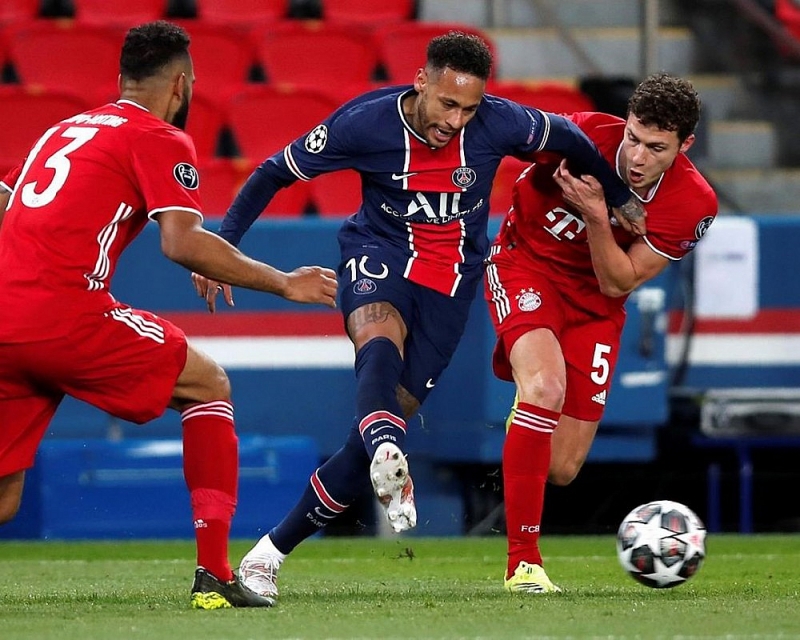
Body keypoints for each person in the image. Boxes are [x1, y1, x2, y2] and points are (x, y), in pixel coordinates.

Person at [193, 31, 645, 602]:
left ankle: (267, 555)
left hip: (450, 287)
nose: (456, 120)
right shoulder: (364, 124)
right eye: (447, 104)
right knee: (376, 341)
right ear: (421, 82)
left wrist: (616, 194)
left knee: (374, 431)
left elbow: (570, 137)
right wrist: (223, 243)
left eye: (469, 108)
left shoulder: (500, 123)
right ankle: (386, 443)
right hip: (378, 254)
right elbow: (273, 172)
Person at [0, 21, 337, 609]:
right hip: (64, 311)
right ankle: (213, 574)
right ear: (181, 84)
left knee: (3, 497)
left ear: (122, 78)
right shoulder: (157, 136)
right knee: (208, 384)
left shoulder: (64, 129)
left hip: (4, 316)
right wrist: (284, 282)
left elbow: (8, 200)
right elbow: (181, 242)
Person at [484, 72, 718, 593]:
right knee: (544, 390)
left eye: (656, 148)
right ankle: (523, 563)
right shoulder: (583, 133)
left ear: (685, 146)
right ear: (625, 123)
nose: (637, 158)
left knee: (562, 466)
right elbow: (501, 134)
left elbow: (619, 280)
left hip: (597, 304)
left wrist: (596, 214)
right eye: (634, 138)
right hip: (526, 265)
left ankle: (525, 420)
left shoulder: (692, 203)